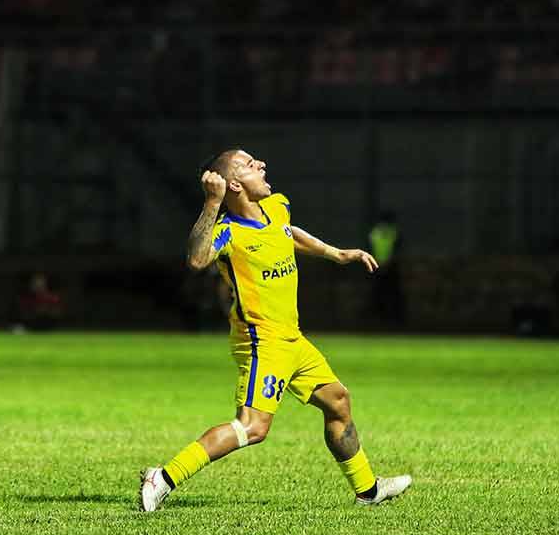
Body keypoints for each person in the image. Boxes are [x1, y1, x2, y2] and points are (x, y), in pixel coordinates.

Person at [139, 149, 412, 512]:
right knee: (252, 428)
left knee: (338, 402)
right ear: (234, 183)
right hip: (260, 342)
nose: (262, 165)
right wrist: (211, 202)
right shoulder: (229, 233)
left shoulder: (277, 206)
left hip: (292, 339)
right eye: (250, 165)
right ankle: (164, 477)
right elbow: (197, 259)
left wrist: (336, 253)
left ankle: (368, 490)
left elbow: (287, 234)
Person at [368, 209, 405, 326]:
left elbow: (398, 249)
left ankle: (393, 320)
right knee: (380, 294)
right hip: (378, 267)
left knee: (391, 294)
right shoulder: (390, 232)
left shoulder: (376, 233)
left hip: (385, 267)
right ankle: (380, 320)